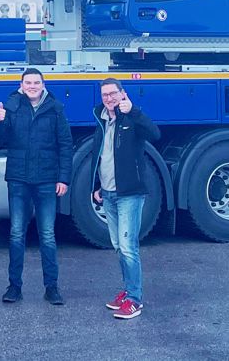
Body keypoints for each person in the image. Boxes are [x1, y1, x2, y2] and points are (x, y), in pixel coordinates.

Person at [0, 67, 72, 305]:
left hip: (47, 180)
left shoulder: (55, 109)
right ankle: (14, 287)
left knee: (47, 235)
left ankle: (52, 288)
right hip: (19, 180)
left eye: (37, 82)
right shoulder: (12, 106)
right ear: (21, 84)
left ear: (43, 85)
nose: (33, 86)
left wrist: (63, 178)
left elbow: (65, 145)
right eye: (28, 82)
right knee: (16, 234)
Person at [90, 78, 160, 319]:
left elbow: (155, 133)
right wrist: (96, 187)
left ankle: (134, 300)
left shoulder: (131, 119)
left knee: (129, 248)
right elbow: (100, 157)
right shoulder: (101, 120)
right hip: (108, 193)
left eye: (113, 93)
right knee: (119, 247)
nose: (109, 98)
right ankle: (128, 290)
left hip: (129, 194)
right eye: (105, 95)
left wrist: (136, 112)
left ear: (123, 94)